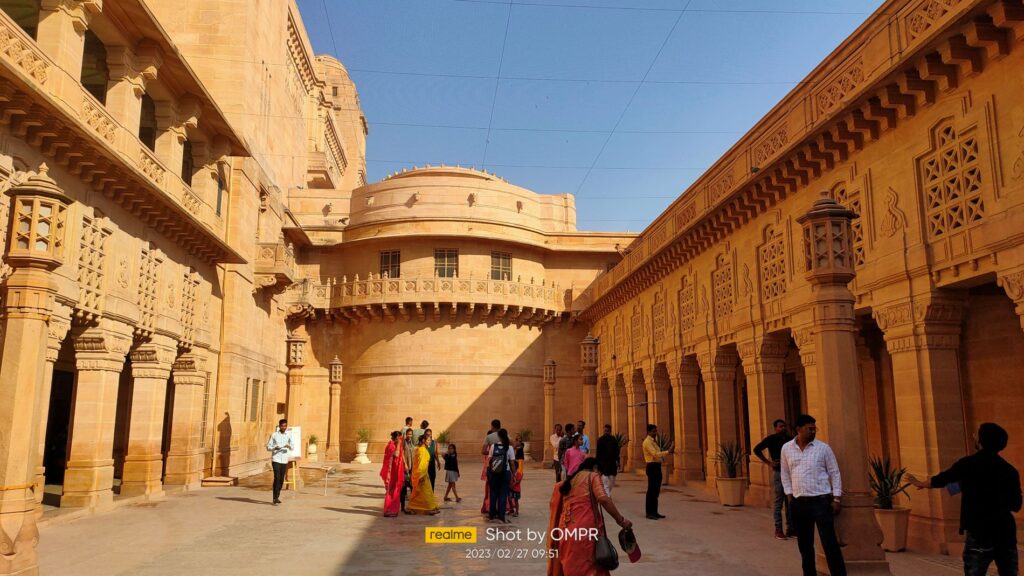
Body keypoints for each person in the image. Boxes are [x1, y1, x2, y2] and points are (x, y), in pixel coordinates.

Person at [907, 423, 1022, 576]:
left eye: (977, 434)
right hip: (1005, 533)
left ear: (981, 440)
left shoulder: (968, 464)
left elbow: (943, 478)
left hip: (979, 531)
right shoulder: (1010, 471)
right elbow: (1016, 505)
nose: (973, 435)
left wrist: (921, 483)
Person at [780, 414, 845, 576]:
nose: (813, 431)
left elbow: (834, 473)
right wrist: (789, 495)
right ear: (798, 429)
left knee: (830, 544)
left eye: (814, 428)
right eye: (809, 428)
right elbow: (785, 473)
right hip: (799, 503)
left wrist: (836, 497)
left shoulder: (823, 448)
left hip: (821, 502)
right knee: (805, 545)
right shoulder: (786, 448)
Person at [547, 457, 632, 576]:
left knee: (571, 568)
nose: (600, 477)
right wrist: (621, 520)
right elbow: (603, 498)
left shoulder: (570, 481)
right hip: (585, 532)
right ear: (595, 468)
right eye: (600, 473)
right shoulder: (592, 476)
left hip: (566, 531)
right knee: (589, 569)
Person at [753, 418, 795, 539]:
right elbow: (756, 449)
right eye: (781, 426)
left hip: (790, 473)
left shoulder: (790, 439)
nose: (783, 428)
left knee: (790, 501)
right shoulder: (771, 439)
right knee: (779, 500)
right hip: (779, 473)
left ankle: (791, 529)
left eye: (784, 426)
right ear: (775, 428)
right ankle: (778, 529)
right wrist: (769, 463)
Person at [642, 424, 672, 519]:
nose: (655, 433)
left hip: (657, 466)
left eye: (656, 431)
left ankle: (654, 511)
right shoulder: (647, 442)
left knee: (656, 490)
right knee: (652, 490)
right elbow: (654, 454)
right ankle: (649, 513)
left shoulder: (653, 442)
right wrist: (668, 451)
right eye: (653, 431)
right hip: (652, 467)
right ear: (648, 432)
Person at [488, 428, 516, 522]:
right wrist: (514, 474)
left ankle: (491, 514)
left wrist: (491, 471)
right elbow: (512, 463)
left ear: (499, 436)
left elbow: (490, 460)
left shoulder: (493, 446)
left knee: (493, 494)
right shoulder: (510, 447)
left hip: (494, 473)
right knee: (503, 494)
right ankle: (501, 515)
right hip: (505, 473)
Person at [407, 434, 440, 515]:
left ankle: (414, 508)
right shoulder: (422, 450)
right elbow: (421, 464)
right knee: (425, 493)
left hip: (424, 474)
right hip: (422, 475)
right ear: (423, 441)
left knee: (421, 493)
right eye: (428, 440)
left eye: (430, 440)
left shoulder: (422, 449)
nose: (429, 442)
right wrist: (420, 476)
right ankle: (428, 508)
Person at [265, 418, 292, 505]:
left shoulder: (288, 435)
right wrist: (274, 448)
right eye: (282, 426)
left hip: (284, 460)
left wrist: (289, 446)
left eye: (285, 426)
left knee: (281, 479)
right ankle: (275, 497)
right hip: (276, 459)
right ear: (279, 426)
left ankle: (277, 495)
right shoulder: (274, 435)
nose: (284, 427)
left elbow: (293, 446)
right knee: (277, 477)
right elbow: (268, 447)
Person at [380, 431, 406, 517]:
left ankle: (393, 510)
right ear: (397, 438)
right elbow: (396, 455)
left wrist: (405, 465)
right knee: (391, 491)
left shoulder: (395, 445)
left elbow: (401, 456)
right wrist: (398, 445)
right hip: (391, 474)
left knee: (396, 491)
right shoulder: (391, 446)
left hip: (395, 472)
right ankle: (388, 510)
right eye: (400, 439)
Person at [480, 419, 501, 514]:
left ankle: (490, 508)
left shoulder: (489, 437)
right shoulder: (505, 436)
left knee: (490, 487)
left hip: (492, 464)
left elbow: (483, 451)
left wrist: (493, 452)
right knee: (501, 487)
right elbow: (512, 446)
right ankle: (501, 508)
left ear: (492, 426)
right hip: (502, 465)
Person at [596, 424, 620, 496]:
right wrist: (597, 464)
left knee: (612, 481)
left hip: (612, 464)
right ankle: (607, 496)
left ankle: (607, 493)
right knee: (605, 480)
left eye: (607, 431)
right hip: (603, 464)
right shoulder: (600, 440)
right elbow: (598, 453)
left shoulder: (614, 440)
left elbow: (617, 452)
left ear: (610, 431)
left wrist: (618, 461)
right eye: (605, 431)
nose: (606, 432)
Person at [509, 434, 526, 517]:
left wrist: (512, 484)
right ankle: (512, 509)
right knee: (510, 499)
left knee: (515, 500)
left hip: (516, 489)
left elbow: (518, 480)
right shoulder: (512, 473)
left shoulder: (522, 444)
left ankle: (516, 511)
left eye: (519, 438)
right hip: (512, 488)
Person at [400, 427, 415, 513]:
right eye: (408, 434)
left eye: (411, 434)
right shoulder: (404, 443)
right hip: (405, 468)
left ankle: (412, 505)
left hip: (411, 467)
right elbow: (401, 453)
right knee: (403, 487)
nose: (410, 435)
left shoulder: (411, 443)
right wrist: (405, 463)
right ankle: (402, 507)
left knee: (412, 487)